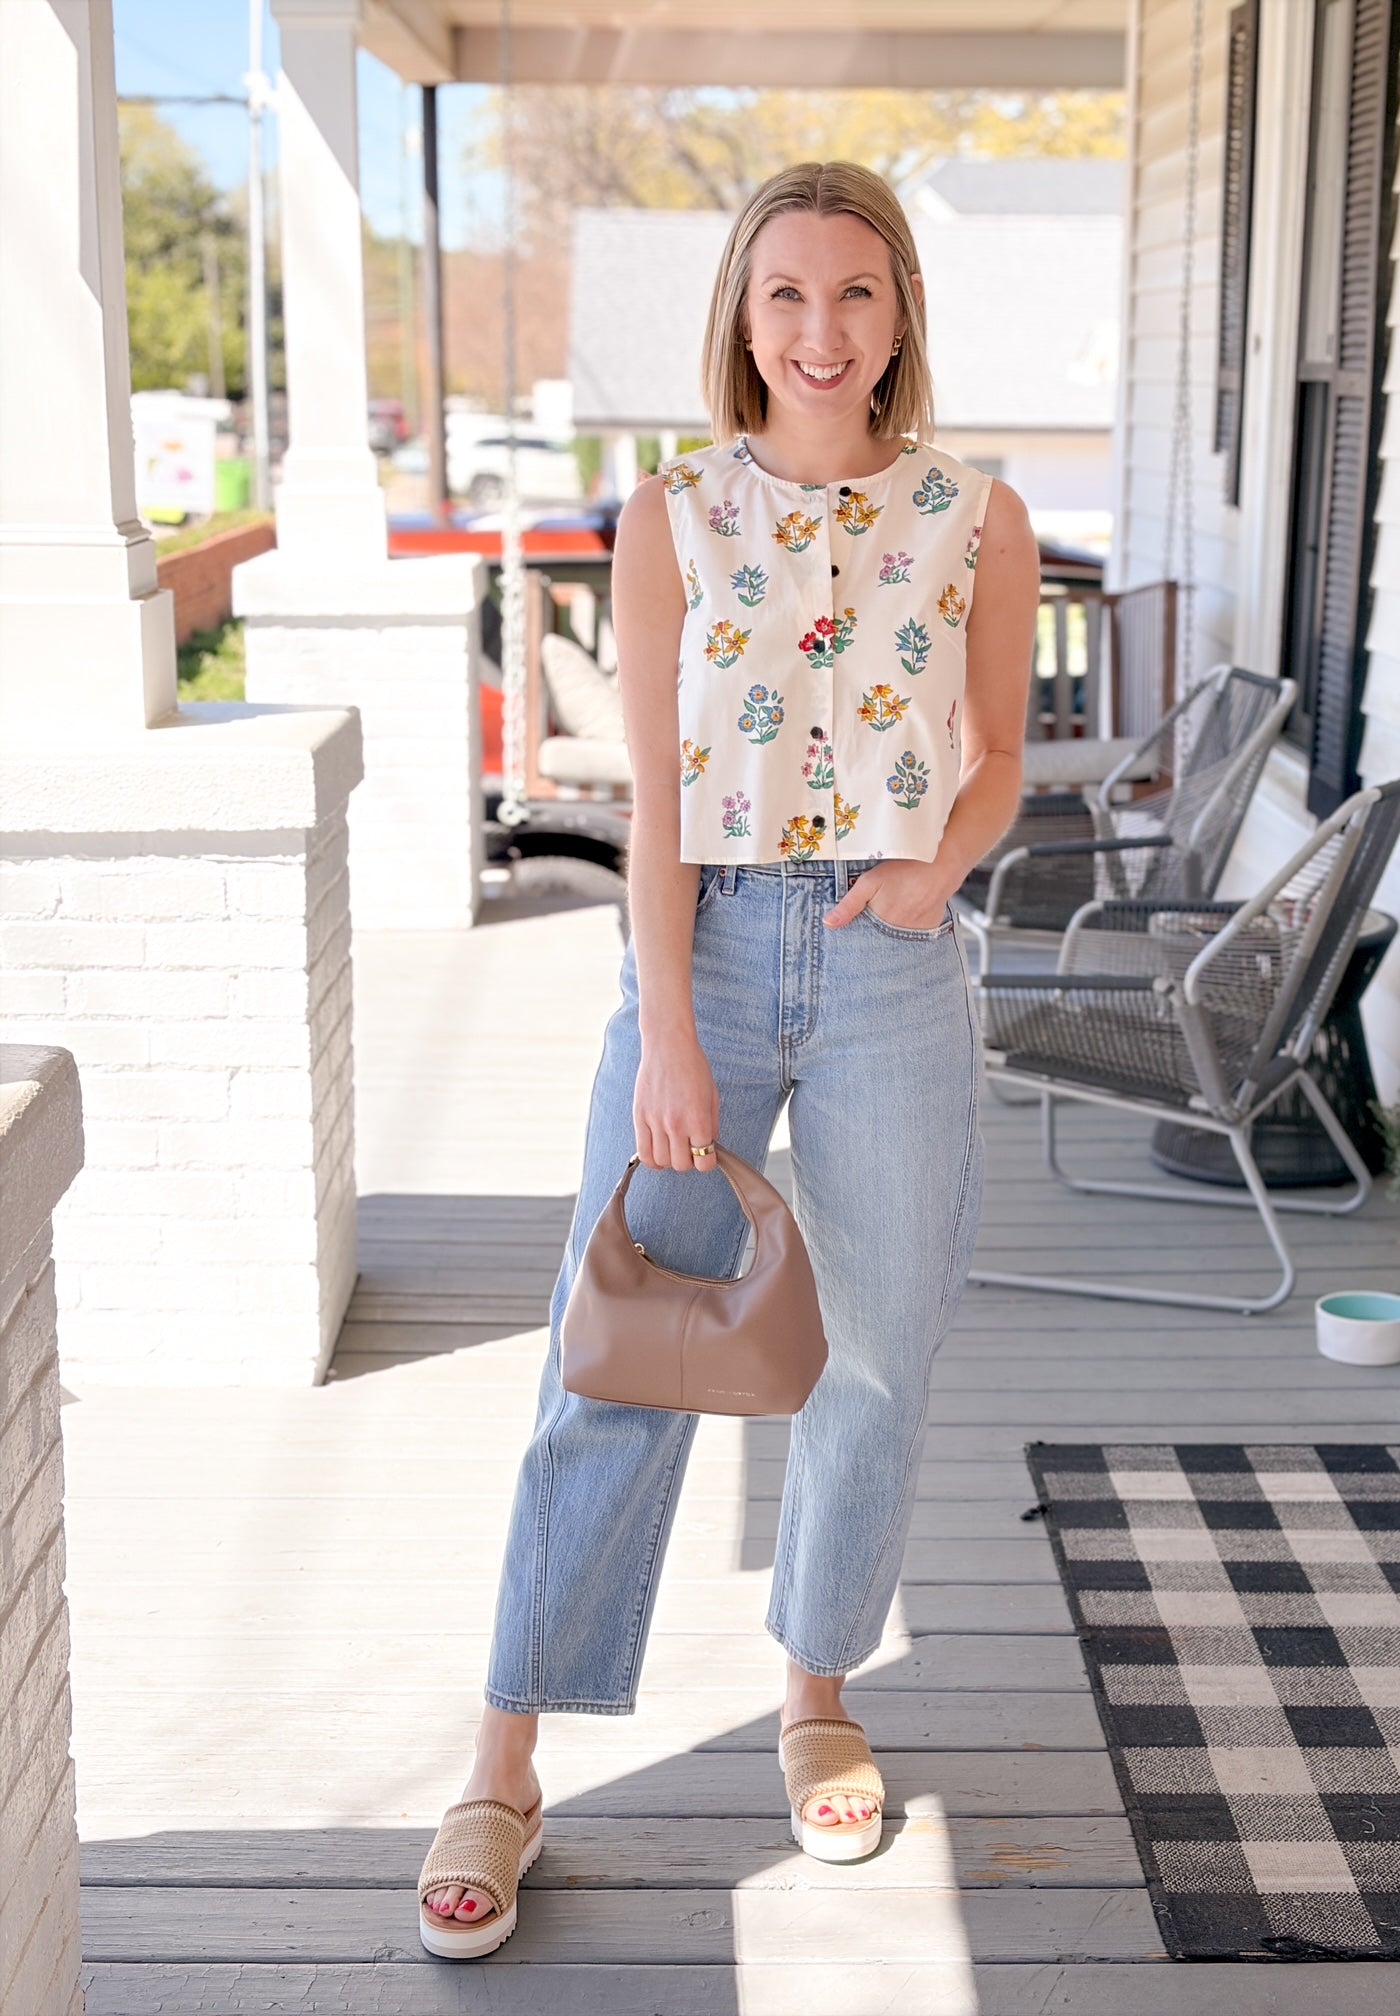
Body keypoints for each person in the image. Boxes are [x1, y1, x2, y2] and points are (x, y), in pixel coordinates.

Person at [417, 158, 1039, 1958]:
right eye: (787, 293)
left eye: (857, 293)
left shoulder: (978, 518)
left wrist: (937, 869)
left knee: (877, 1346)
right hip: (709, 949)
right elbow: (663, 800)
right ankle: (507, 1756)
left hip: (893, 967)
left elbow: (994, 747)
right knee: (608, 1348)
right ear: (741, 314)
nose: (822, 330)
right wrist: (669, 1028)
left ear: (900, 312)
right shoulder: (672, 514)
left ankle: (815, 1693)